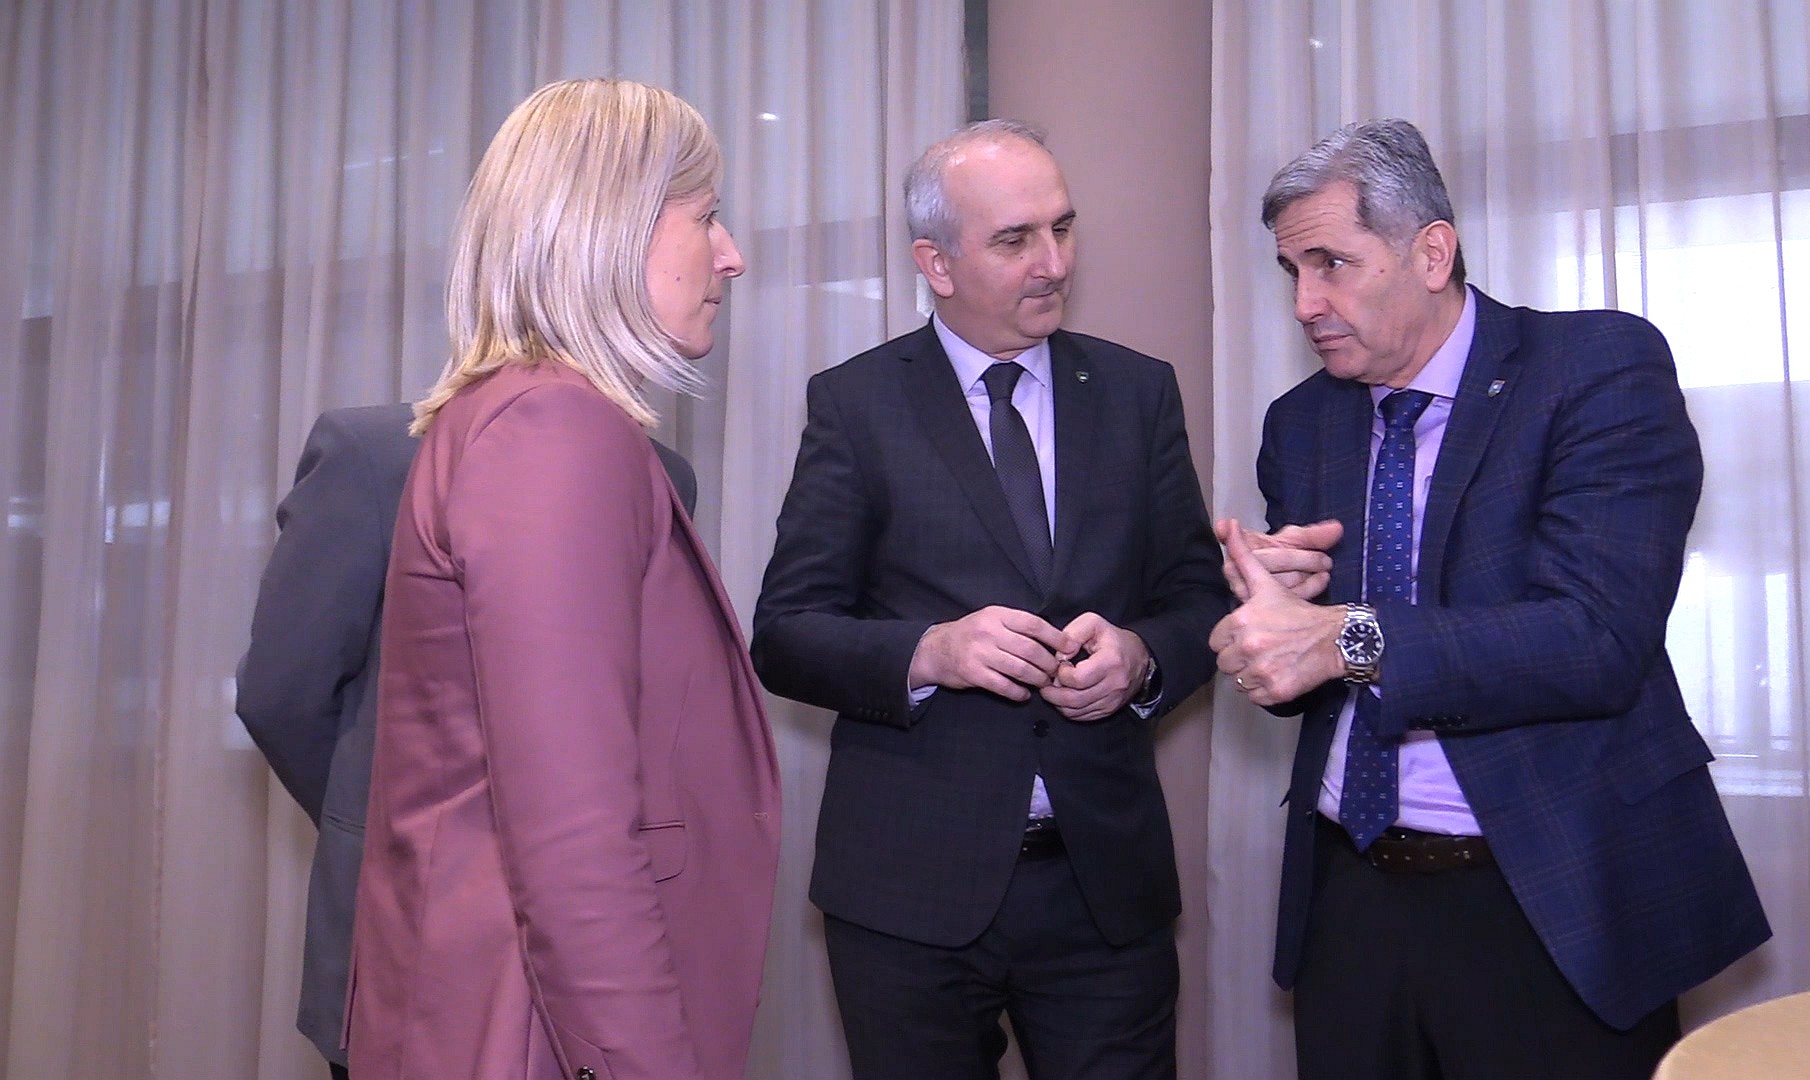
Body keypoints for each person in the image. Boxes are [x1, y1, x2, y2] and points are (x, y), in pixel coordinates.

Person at [1210, 118, 1770, 1079]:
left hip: (1548, 892)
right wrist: (1276, 627)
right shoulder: (1302, 424)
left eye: (1332, 264)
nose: (1305, 302)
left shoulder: (1593, 368)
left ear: (1432, 253)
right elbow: (1319, 674)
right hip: (1349, 893)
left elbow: (1598, 637)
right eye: (1291, 271)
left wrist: (1341, 636)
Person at [752, 119, 1231, 1080]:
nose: (1053, 263)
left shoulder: (1137, 393)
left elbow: (1196, 597)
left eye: (1063, 228)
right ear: (935, 262)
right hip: (907, 893)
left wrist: (1141, 659)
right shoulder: (856, 404)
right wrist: (928, 653)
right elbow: (786, 634)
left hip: (1102, 886)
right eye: (1015, 240)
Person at [343, 78, 778, 1080]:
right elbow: (574, 838)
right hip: (531, 1028)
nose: (731, 254)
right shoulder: (555, 431)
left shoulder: (518, 417)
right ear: (611, 228)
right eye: (706, 216)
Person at [235, 405, 695, 1080]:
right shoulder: (377, 455)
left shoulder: (664, 476)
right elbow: (283, 694)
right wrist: (402, 828)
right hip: (414, 944)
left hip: (601, 948)